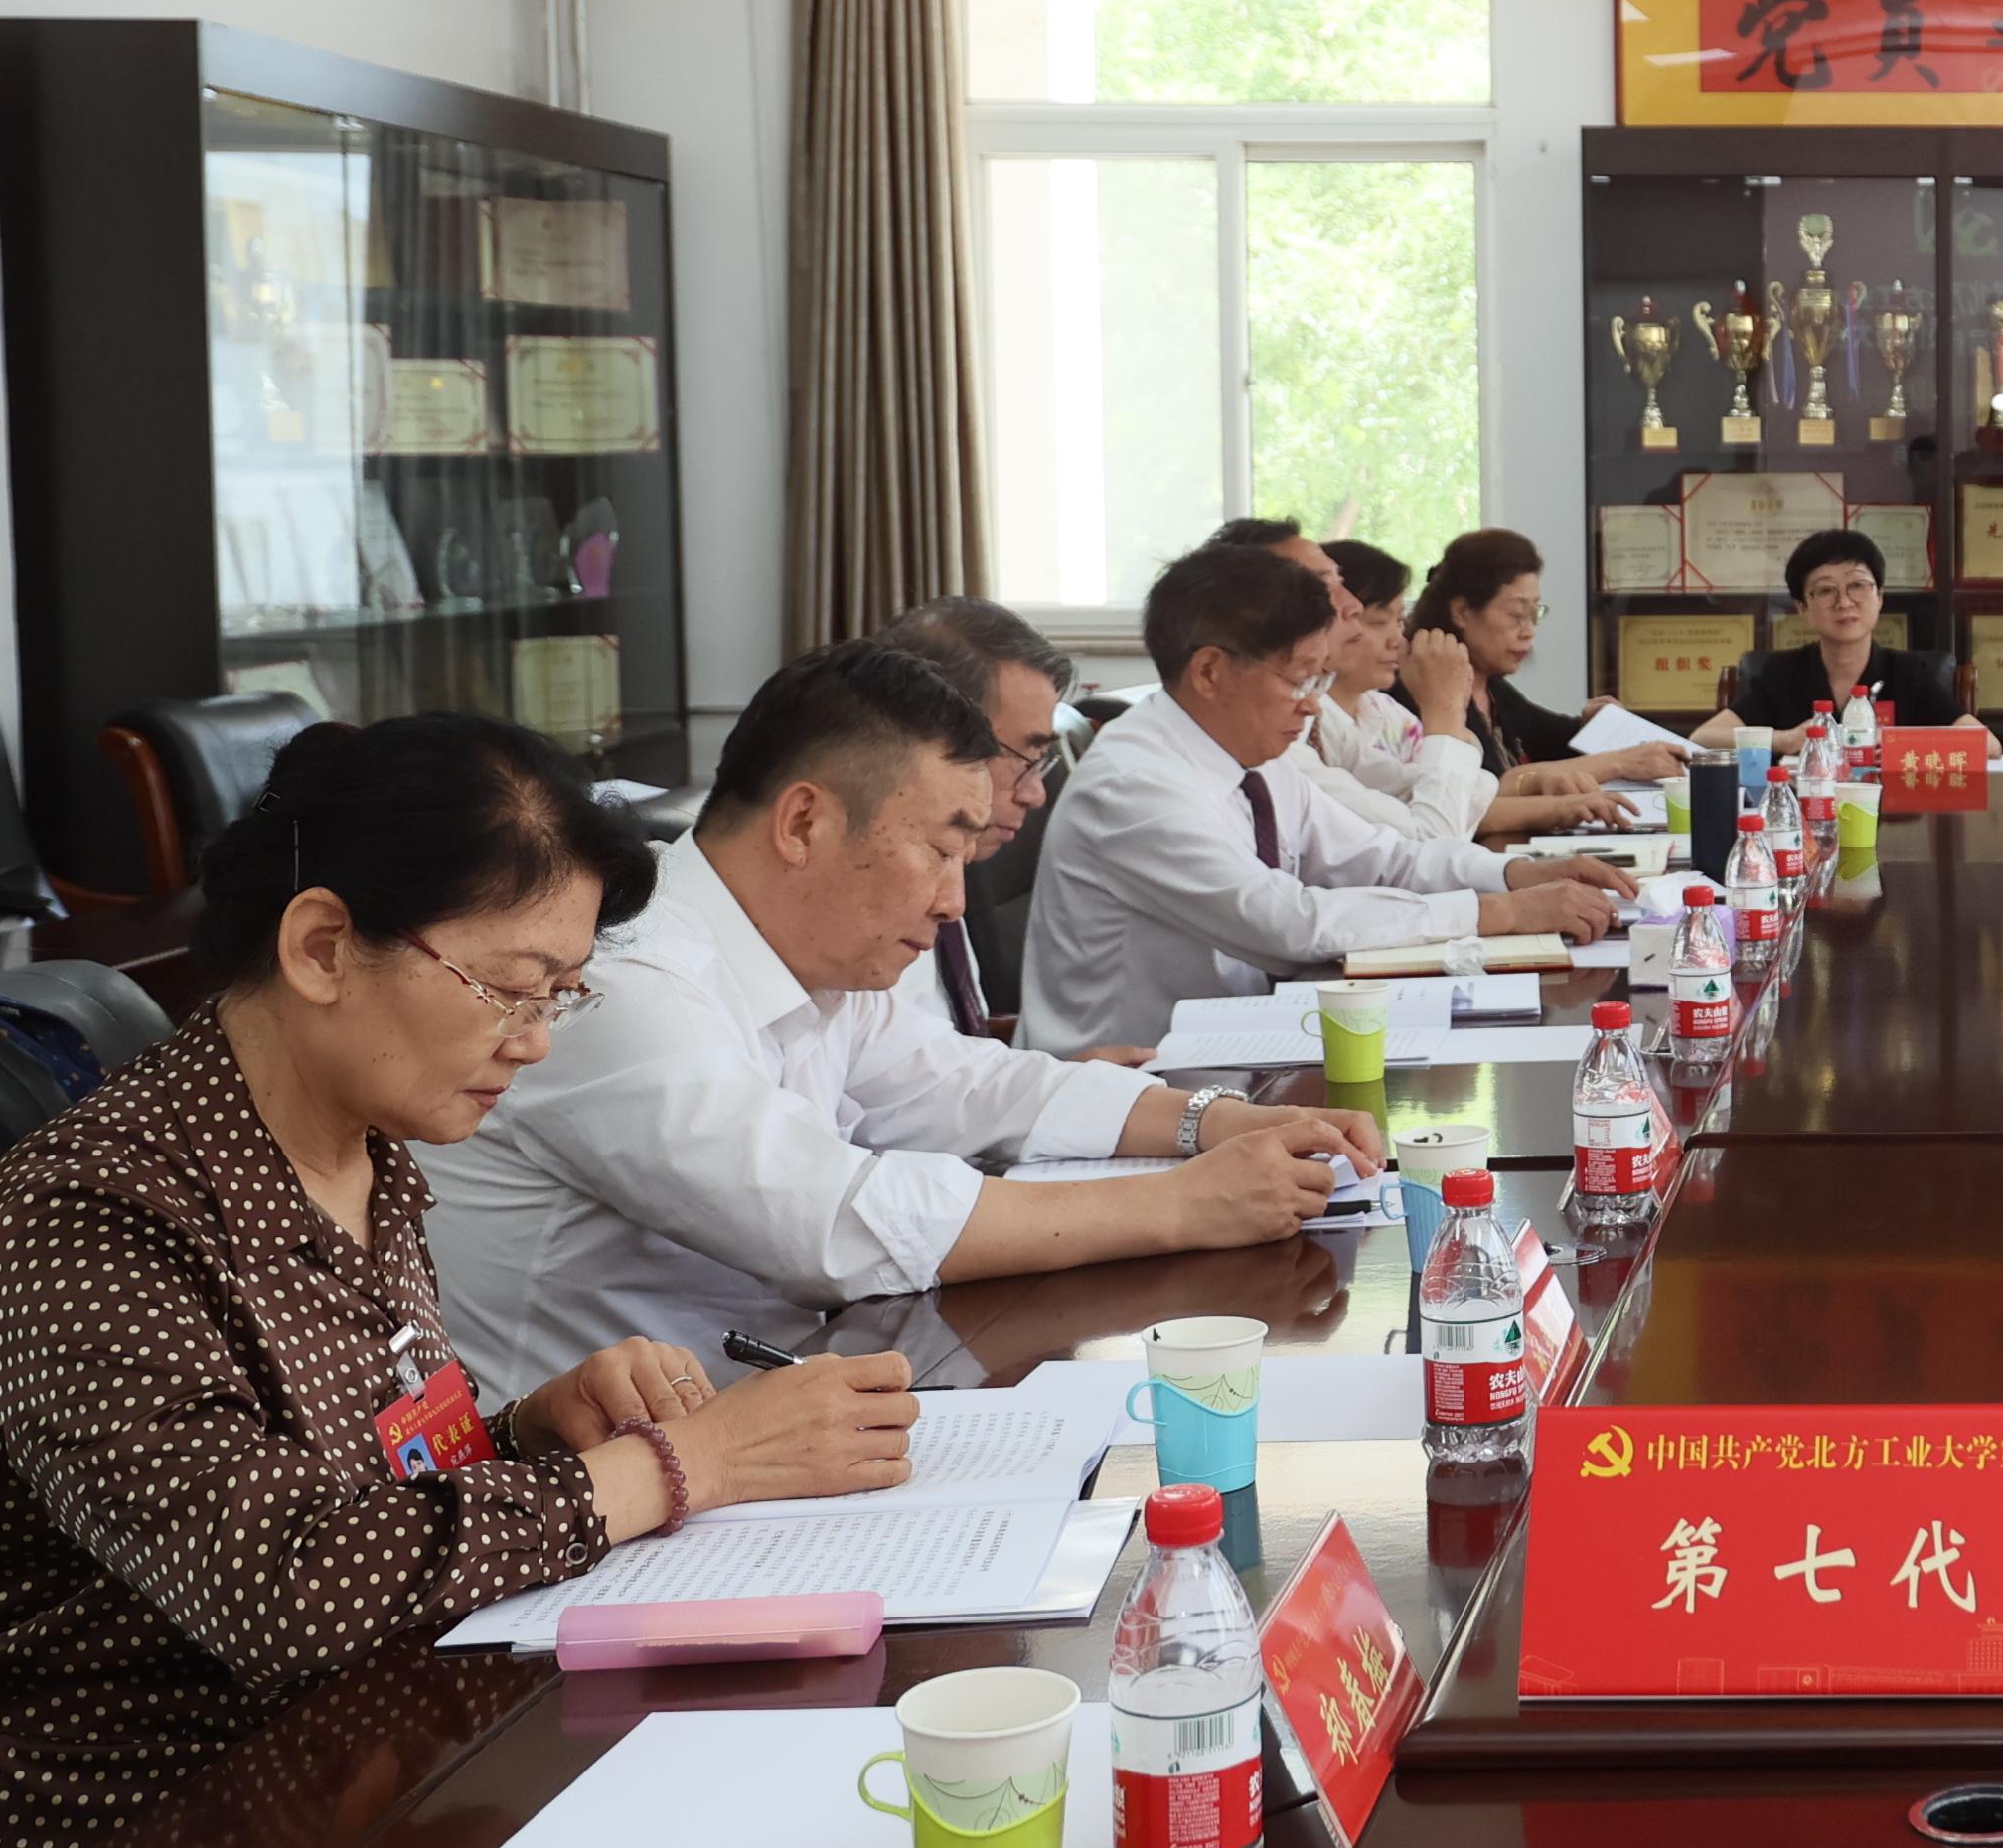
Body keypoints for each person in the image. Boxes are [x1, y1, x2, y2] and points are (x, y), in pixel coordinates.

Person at [0, 716, 922, 1848]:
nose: (535, 1044)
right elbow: (278, 1586)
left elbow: (377, 1478)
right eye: (509, 989)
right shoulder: (90, 1213)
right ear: (322, 949)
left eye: (561, 997)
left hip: (366, 1751)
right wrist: (680, 1468)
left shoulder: (368, 1156)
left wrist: (532, 1431)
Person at [423, 643, 1382, 1393]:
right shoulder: (622, 982)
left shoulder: (814, 958)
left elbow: (973, 1084)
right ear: (804, 823)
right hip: (594, 1497)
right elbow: (830, 1224)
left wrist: (1214, 1121)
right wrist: (1183, 1205)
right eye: (939, 850)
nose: (955, 901)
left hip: (782, 1410)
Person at [1026, 540, 1627, 1058]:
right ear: (1210, 672)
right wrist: (1501, 913)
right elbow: (1288, 922)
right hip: (1139, 1081)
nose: (1313, 703)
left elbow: (1384, 856)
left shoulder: (1248, 754)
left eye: (1320, 679)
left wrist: (1515, 874)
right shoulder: (1135, 785)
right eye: (1299, 679)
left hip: (1243, 1042)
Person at [1309, 537, 1632, 847]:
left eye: (1399, 621)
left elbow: (1465, 791)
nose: (1398, 639)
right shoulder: (1397, 697)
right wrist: (1445, 711)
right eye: (1379, 622)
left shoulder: (1381, 711)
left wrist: (1541, 785)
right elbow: (1431, 836)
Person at [875, 590, 1078, 1041]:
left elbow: (945, 1061)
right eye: (1025, 758)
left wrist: (1065, 1072)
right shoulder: (865, 908)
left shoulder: (945, 879)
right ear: (934, 735)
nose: (1036, 795)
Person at [1724, 527, 1965, 731]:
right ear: (1803, 608)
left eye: (1857, 585)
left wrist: (1894, 743)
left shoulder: (1909, 673)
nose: (1844, 602)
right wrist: (1785, 740)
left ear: (1879, 597)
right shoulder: (1781, 673)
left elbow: (1980, 739)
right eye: (1826, 590)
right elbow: (1709, 736)